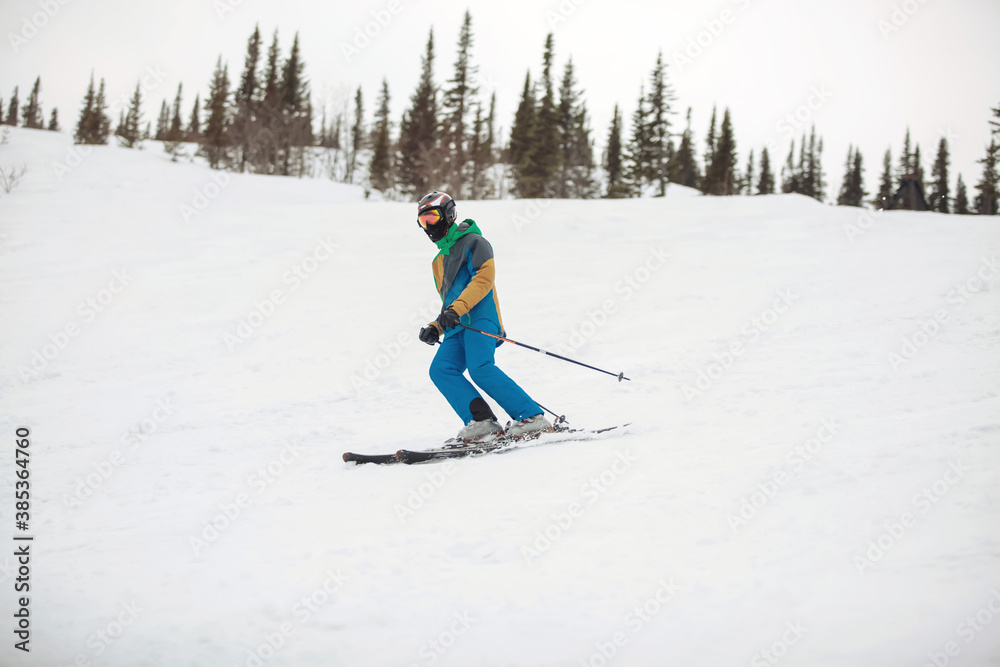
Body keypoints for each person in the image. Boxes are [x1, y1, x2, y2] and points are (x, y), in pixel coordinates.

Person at [415, 191, 551, 442]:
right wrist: (437, 326)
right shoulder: (438, 261)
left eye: (432, 217)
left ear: (449, 215)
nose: (429, 226)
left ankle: (532, 418)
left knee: (480, 368)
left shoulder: (475, 242)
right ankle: (481, 422)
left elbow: (483, 279)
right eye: (423, 221)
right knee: (441, 370)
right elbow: (449, 301)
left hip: (480, 320)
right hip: (456, 327)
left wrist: (456, 310)